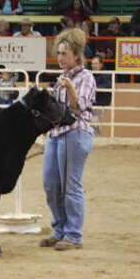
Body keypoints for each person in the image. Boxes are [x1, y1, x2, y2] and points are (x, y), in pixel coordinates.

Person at [41, 28, 95, 251]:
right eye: (59, 53)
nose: (60, 58)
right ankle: (60, 229)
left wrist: (71, 89)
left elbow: (79, 107)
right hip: (56, 135)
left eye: (64, 54)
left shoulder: (85, 77)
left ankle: (73, 235)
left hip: (75, 133)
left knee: (70, 185)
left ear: (76, 56)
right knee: (51, 184)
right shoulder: (61, 79)